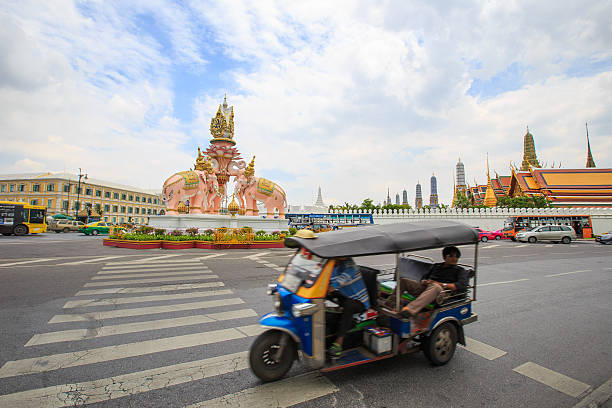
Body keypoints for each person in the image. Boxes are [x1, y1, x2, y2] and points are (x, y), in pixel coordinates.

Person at [385, 246, 468, 318]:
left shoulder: (460, 270)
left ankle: (410, 310)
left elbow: (461, 285)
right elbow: (424, 277)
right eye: (451, 256)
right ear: (444, 257)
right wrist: (424, 281)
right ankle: (391, 304)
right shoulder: (436, 266)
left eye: (457, 257)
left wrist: (441, 284)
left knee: (436, 287)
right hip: (427, 288)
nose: (454, 259)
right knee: (404, 281)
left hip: (442, 292)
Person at [327, 257, 370, 358]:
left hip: (360, 301)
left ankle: (339, 343)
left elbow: (340, 281)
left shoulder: (350, 266)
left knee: (349, 306)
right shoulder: (332, 266)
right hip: (345, 297)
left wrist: (330, 287)